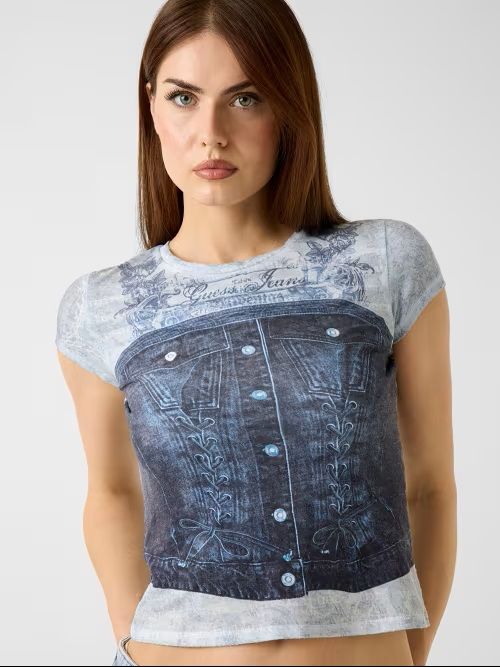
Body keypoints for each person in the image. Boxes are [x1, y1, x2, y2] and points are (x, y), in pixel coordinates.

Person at [55, 0, 456, 665]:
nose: (210, 134)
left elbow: (431, 484)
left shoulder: (385, 262)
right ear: (150, 106)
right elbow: (112, 493)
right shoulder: (101, 305)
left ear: (288, 108)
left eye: (245, 99)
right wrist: (133, 640)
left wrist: (410, 652)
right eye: (183, 97)